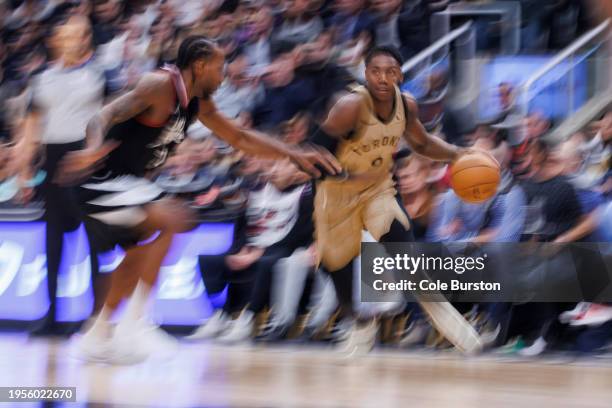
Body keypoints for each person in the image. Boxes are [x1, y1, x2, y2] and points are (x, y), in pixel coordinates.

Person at [54, 35, 340, 364]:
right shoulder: (159, 84)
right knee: (176, 218)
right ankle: (135, 327)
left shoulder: (197, 102)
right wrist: (91, 149)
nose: (223, 76)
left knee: (139, 254)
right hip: (101, 180)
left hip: (130, 185)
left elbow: (240, 137)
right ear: (200, 66)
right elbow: (102, 116)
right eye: (220, 68)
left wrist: (294, 153)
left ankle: (97, 333)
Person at [310, 45, 483, 354]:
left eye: (390, 72)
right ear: (366, 75)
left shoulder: (408, 106)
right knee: (337, 267)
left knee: (405, 254)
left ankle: (449, 320)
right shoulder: (349, 107)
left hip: (377, 189)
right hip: (336, 190)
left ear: (400, 75)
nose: (382, 78)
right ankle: (359, 323)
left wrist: (458, 153)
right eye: (375, 71)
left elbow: (423, 142)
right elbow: (314, 153)